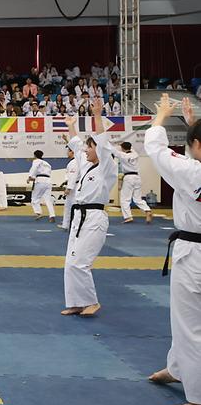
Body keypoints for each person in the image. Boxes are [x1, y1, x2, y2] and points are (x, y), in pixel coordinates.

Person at [145, 94, 201, 405]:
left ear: (195, 145)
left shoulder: (190, 174)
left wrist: (162, 116)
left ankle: (196, 398)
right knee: (189, 322)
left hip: (193, 255)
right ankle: (178, 368)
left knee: (189, 324)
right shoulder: (193, 169)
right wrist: (193, 124)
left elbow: (156, 150)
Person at [61, 99, 117, 318]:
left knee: (80, 262)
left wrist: (97, 115)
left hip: (94, 217)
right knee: (70, 262)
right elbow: (75, 144)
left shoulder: (107, 167)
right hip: (79, 216)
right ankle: (76, 302)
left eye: (89, 146)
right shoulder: (86, 165)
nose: (85, 150)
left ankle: (91, 301)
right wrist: (71, 124)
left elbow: (102, 143)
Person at [115, 141, 153, 224]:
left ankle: (128, 217)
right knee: (137, 198)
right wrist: (123, 145)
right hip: (137, 177)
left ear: (122, 148)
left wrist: (118, 145)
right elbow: (130, 148)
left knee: (125, 199)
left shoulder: (122, 155)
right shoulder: (135, 154)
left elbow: (114, 151)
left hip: (128, 177)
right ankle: (147, 210)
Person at [28, 150, 56, 223]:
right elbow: (45, 174)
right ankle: (52, 215)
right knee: (48, 200)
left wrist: (30, 176)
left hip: (40, 181)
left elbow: (34, 168)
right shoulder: (47, 163)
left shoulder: (36, 161)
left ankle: (38, 212)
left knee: (34, 198)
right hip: (48, 181)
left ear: (35, 155)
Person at [58, 138, 79, 231]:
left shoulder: (74, 163)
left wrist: (69, 188)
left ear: (72, 152)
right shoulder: (74, 162)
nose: (67, 153)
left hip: (75, 187)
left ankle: (74, 224)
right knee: (68, 206)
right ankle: (66, 225)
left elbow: (73, 176)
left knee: (73, 206)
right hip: (74, 185)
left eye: (68, 151)